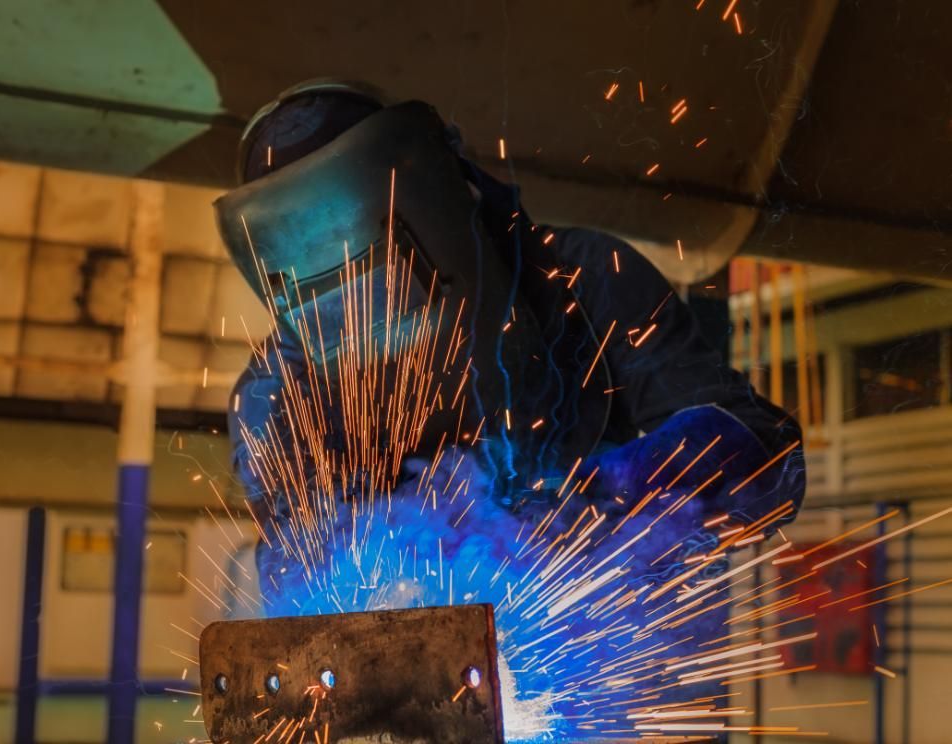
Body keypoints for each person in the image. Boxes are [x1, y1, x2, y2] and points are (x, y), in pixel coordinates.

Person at [215, 79, 806, 735]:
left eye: (380, 273)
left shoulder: (578, 280)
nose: (369, 321)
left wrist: (606, 501)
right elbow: (300, 567)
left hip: (626, 693)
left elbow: (768, 461)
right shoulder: (277, 395)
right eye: (332, 297)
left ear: (427, 206)